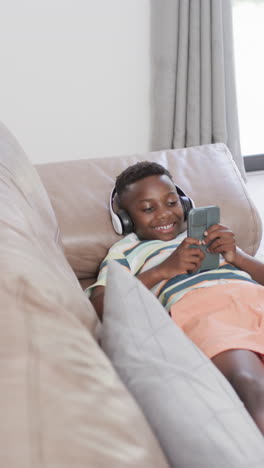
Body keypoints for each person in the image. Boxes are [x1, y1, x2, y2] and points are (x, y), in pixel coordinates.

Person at [87, 161, 264, 435]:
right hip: (206, 311)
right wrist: (163, 270)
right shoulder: (125, 251)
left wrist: (238, 256)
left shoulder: (209, 233)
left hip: (254, 296)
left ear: (185, 203)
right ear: (125, 218)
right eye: (148, 208)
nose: (164, 214)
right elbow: (100, 304)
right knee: (250, 385)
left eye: (171, 203)